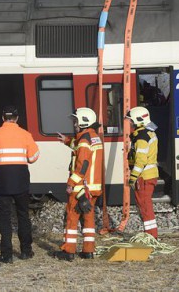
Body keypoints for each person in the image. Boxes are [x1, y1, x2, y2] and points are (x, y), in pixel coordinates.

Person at [0, 105, 40, 264]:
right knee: (23, 215)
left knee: (5, 218)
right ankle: (26, 251)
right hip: (20, 180)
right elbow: (34, 157)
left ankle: (6, 254)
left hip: (2, 181)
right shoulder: (25, 134)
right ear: (17, 118)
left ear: (2, 118)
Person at [56, 107, 103, 261]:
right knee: (89, 218)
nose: (74, 124)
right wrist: (67, 141)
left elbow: (82, 164)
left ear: (83, 122)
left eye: (76, 121)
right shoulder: (93, 137)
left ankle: (69, 251)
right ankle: (88, 250)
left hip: (81, 187)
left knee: (72, 217)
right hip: (93, 188)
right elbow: (80, 149)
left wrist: (71, 183)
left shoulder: (84, 140)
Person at [126, 106, 159, 239]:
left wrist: (133, 177)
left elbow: (140, 161)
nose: (131, 124)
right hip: (149, 176)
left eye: (131, 121)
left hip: (143, 177)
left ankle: (151, 236)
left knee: (145, 207)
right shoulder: (149, 133)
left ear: (138, 121)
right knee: (145, 206)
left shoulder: (141, 137)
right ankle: (150, 235)